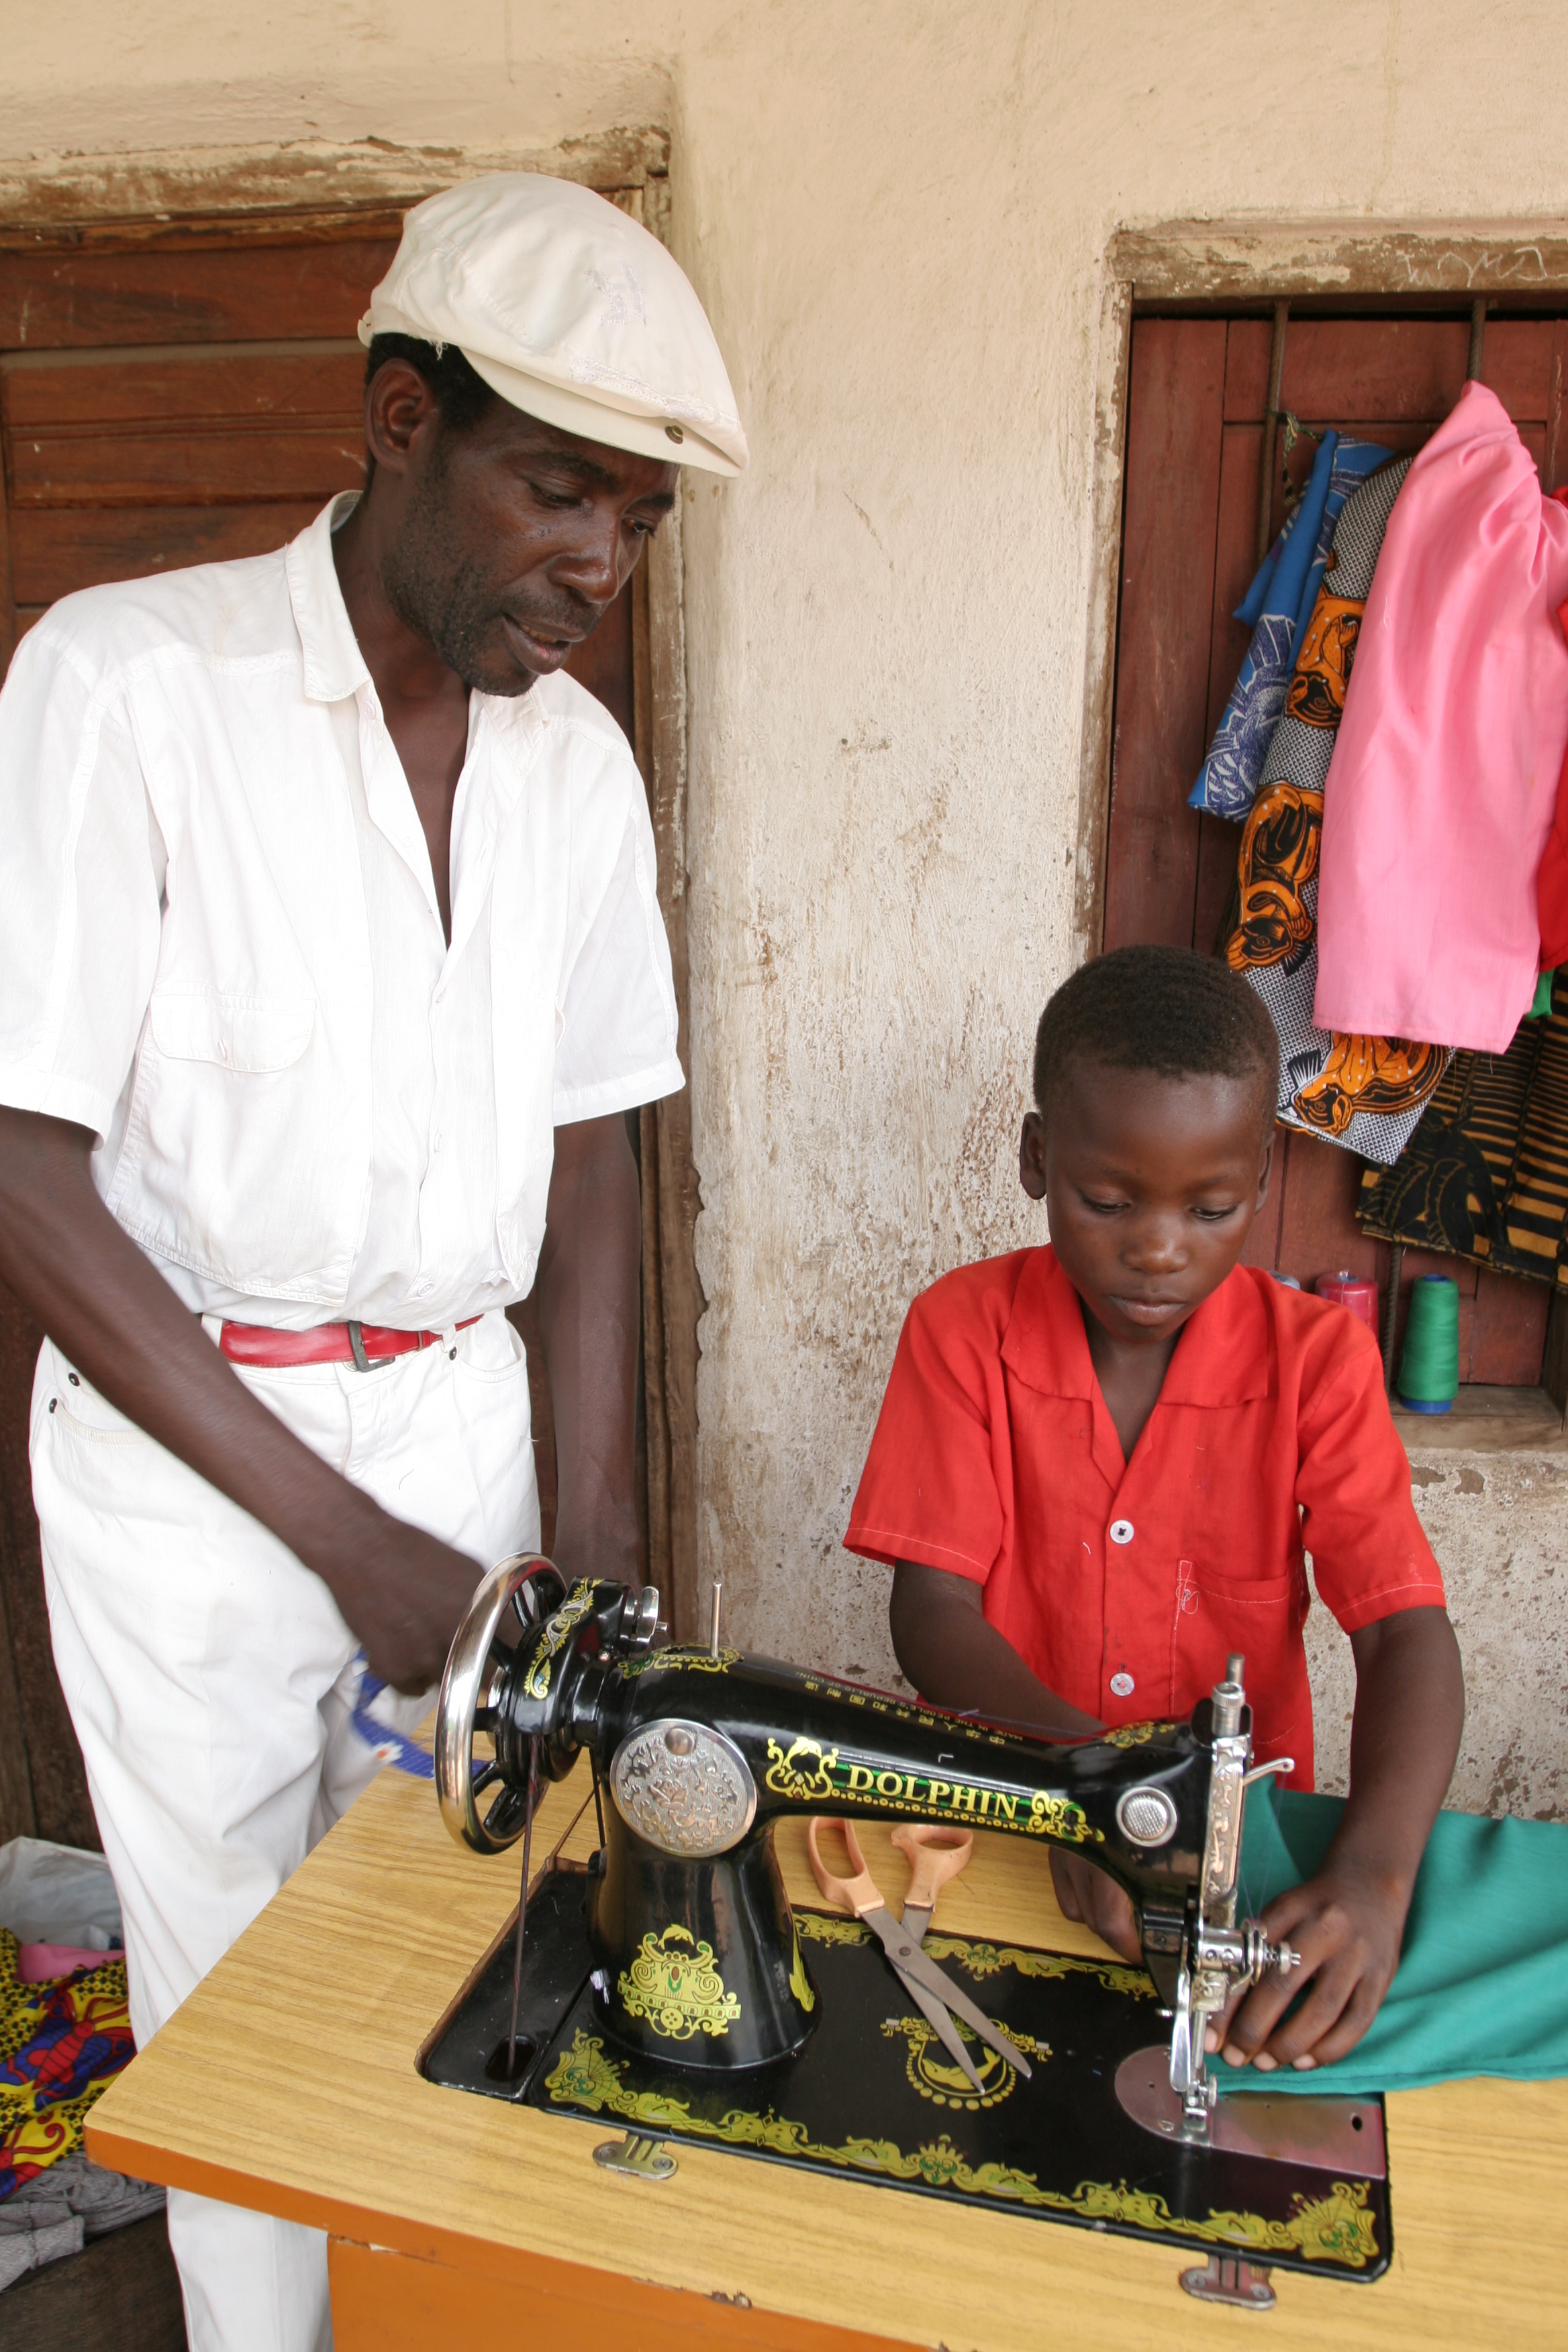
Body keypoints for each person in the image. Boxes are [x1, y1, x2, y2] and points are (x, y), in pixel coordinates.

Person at [0, 174, 746, 2351]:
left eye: (637, 520)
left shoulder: (573, 771)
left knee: (470, 1954)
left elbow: (598, 1143)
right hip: (198, 1487)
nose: (597, 563)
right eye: (559, 490)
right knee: (235, 1995)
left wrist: (589, 1537)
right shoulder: (126, 690)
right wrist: (342, 1541)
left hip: (464, 1448)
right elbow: (26, 1167)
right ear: (400, 417)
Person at [844, 944, 1463, 2079]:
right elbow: (932, 1612)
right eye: (1109, 1200)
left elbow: (1404, 1628)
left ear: (1265, 1176)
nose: (1159, 1247)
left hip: (1239, 1866)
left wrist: (1374, 1882)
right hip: (1015, 1835)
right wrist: (1085, 1790)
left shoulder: (1318, 1366)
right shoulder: (961, 1331)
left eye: (1212, 1206)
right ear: (1037, 1159)